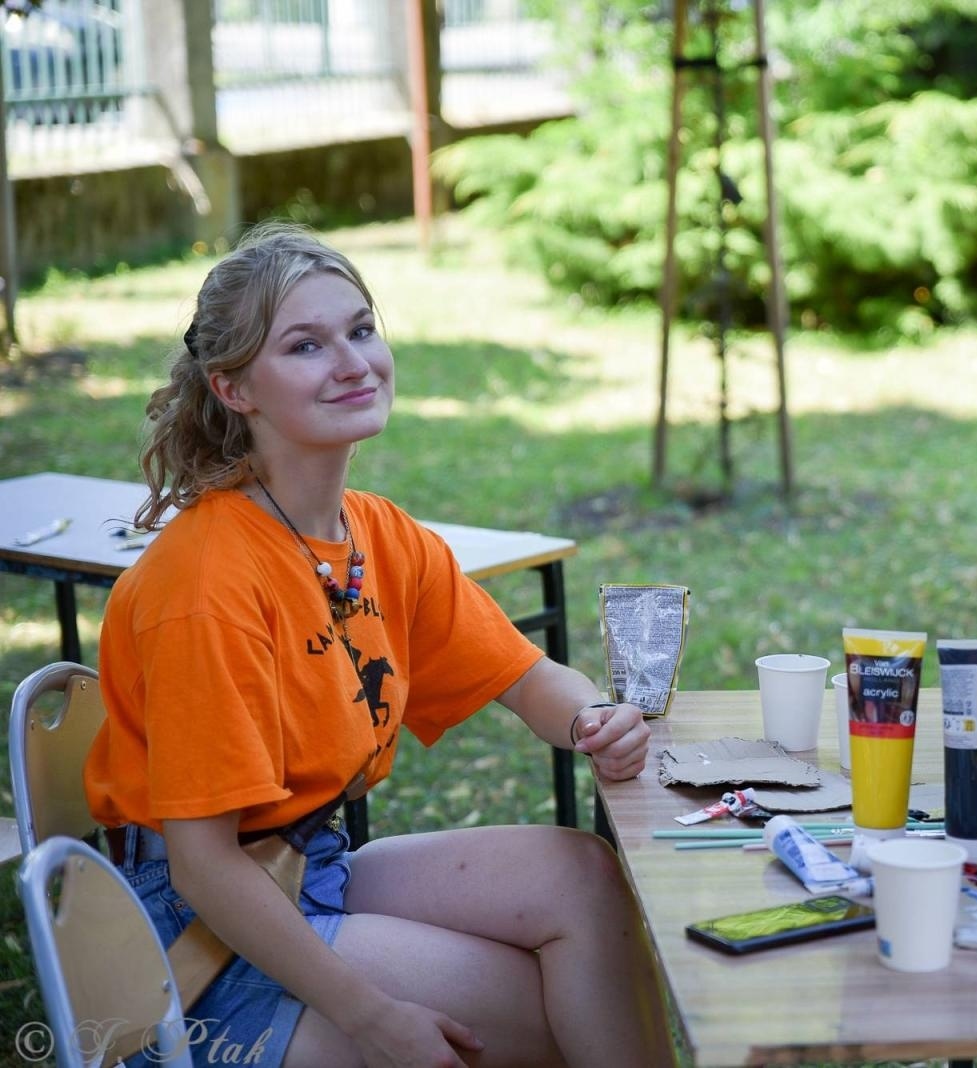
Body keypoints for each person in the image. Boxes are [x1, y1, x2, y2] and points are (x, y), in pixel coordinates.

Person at [83, 223, 674, 1068]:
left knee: (581, 874)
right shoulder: (206, 587)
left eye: (360, 329)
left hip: (307, 861)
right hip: (199, 930)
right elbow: (204, 870)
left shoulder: (378, 536)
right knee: (554, 1014)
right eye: (306, 345)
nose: (354, 362)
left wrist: (594, 721)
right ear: (235, 388)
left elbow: (528, 676)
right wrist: (371, 1016)